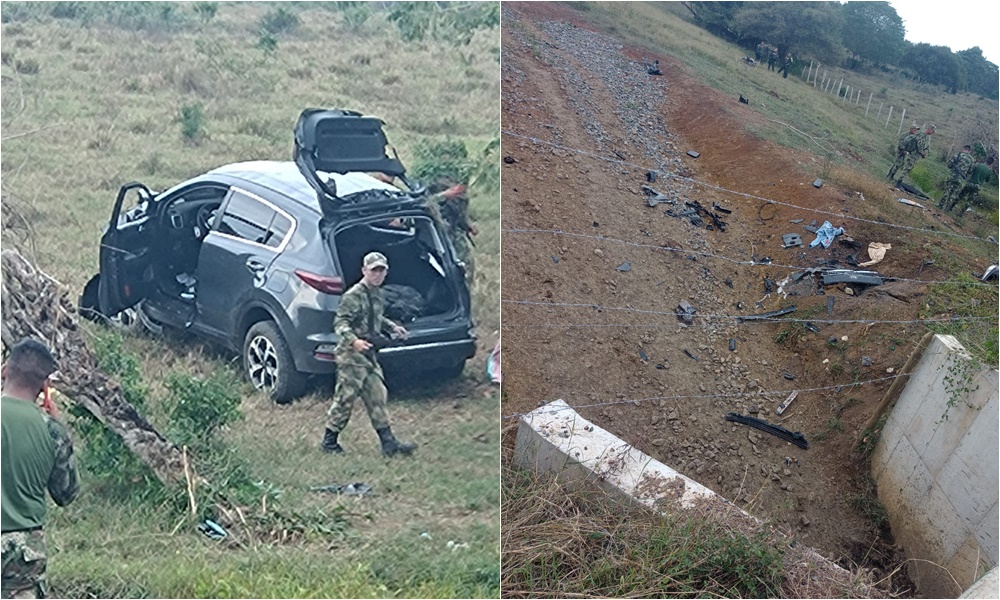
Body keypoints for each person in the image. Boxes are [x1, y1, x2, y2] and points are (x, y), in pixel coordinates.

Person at [2, 338, 79, 599]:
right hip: (20, 557)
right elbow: (66, 494)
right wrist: (59, 425)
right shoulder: (52, 431)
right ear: (45, 386)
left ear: (4, 370)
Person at [321, 252, 416, 457]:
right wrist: (353, 341)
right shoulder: (353, 295)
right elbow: (340, 323)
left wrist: (393, 327)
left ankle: (388, 444)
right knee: (345, 399)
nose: (378, 274)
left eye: (381, 270)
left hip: (369, 353)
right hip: (351, 357)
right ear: (364, 271)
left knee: (377, 396)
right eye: (374, 270)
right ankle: (329, 442)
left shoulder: (377, 293)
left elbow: (376, 317)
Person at [427, 176, 478, 288]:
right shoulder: (434, 189)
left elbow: (459, 212)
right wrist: (444, 196)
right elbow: (424, 203)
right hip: (438, 240)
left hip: (455, 237)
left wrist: (467, 224)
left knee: (466, 267)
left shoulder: (458, 197)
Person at [939, 145, 976, 212]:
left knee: (947, 190)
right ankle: (947, 208)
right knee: (954, 194)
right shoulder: (972, 160)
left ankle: (941, 205)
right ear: (970, 151)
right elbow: (970, 171)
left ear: (963, 149)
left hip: (953, 176)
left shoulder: (958, 155)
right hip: (960, 179)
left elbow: (949, 164)